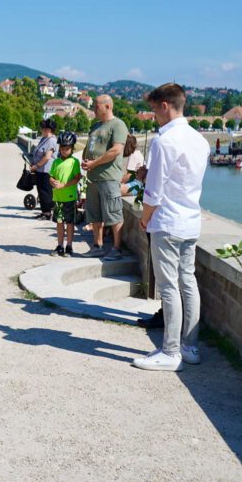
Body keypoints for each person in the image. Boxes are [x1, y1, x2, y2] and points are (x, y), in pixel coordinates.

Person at [133, 83, 210, 372]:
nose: (154, 116)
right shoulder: (199, 140)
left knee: (168, 287)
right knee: (188, 282)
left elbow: (155, 192)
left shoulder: (163, 141)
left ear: (165, 106)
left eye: (154, 110)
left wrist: (145, 219)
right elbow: (181, 180)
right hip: (190, 221)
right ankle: (190, 347)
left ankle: (170, 351)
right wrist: (148, 176)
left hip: (167, 222)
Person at [80, 94, 129, 261]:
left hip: (108, 177)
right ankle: (97, 246)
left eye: (96, 105)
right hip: (93, 178)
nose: (94, 108)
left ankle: (117, 248)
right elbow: (89, 147)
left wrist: (94, 163)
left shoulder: (118, 125)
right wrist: (85, 160)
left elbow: (116, 150)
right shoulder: (95, 126)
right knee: (94, 215)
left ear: (108, 106)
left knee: (114, 214)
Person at [49, 132, 82, 256]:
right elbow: (51, 176)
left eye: (67, 148)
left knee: (69, 223)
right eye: (62, 148)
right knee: (59, 222)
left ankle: (69, 246)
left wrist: (64, 185)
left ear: (72, 148)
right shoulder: (56, 162)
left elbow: (77, 178)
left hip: (69, 197)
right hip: (57, 197)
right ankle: (60, 246)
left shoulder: (74, 162)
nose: (64, 151)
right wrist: (52, 181)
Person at [31, 119, 58, 220]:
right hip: (40, 170)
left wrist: (37, 165)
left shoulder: (52, 140)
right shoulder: (44, 139)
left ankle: (47, 213)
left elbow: (47, 157)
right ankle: (43, 211)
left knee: (46, 192)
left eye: (42, 128)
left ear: (48, 130)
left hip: (46, 170)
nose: (41, 130)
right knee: (41, 191)